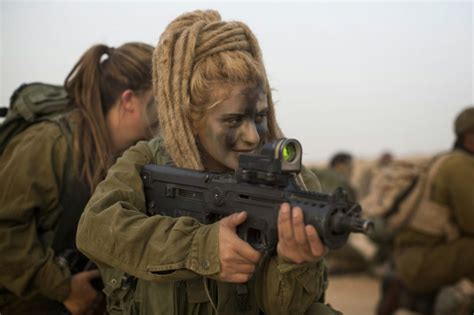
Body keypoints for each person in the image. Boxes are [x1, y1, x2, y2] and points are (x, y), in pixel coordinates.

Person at [76, 10, 341, 315]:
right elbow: (93, 228)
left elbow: (281, 307)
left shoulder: (295, 183)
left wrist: (292, 263)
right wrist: (200, 247)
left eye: (259, 117)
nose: (252, 136)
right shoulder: (148, 160)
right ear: (190, 118)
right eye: (232, 120)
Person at [0, 42, 156, 315]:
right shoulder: (48, 144)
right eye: (157, 102)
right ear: (129, 100)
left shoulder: (127, 155)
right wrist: (65, 288)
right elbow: (4, 231)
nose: (164, 115)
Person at [391, 106, 474, 314]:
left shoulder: (443, 159)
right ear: (469, 136)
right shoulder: (459, 165)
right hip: (423, 262)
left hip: (411, 258)